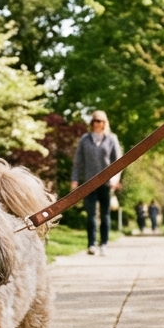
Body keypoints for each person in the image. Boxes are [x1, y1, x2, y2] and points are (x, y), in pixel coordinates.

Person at [71, 110, 122, 256]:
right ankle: (92, 244)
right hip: (89, 182)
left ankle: (104, 244)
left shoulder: (111, 139)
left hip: (106, 183)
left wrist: (115, 180)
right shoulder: (85, 139)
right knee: (91, 215)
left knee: (105, 215)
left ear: (105, 123)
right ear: (92, 123)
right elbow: (78, 161)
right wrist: (75, 178)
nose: (98, 124)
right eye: (95, 121)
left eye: (100, 121)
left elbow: (118, 162)